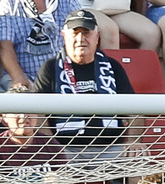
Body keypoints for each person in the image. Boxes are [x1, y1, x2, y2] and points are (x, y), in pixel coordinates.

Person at [31, 9, 142, 163]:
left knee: (137, 158)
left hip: (111, 148)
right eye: (75, 33)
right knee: (52, 169)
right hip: (66, 149)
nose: (81, 38)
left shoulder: (113, 66)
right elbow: (37, 112)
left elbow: (136, 109)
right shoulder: (50, 67)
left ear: (97, 36)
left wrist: (133, 141)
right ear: (64, 36)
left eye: (86, 32)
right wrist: (50, 145)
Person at [0, 0, 116, 90]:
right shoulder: (8, 5)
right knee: (20, 94)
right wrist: (18, 77)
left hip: (64, 73)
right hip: (25, 75)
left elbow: (82, 32)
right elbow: (4, 46)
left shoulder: (68, 2)